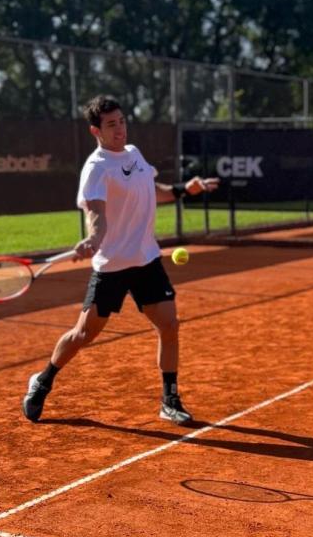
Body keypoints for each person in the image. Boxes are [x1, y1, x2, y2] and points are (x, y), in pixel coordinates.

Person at [22, 94, 218, 425]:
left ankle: (169, 399)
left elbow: (153, 189)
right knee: (83, 335)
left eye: (122, 122)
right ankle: (42, 381)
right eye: (111, 124)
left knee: (169, 325)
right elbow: (96, 214)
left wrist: (185, 189)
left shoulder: (134, 153)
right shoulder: (96, 168)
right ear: (95, 131)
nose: (120, 129)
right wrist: (93, 239)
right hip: (112, 266)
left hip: (146, 260)